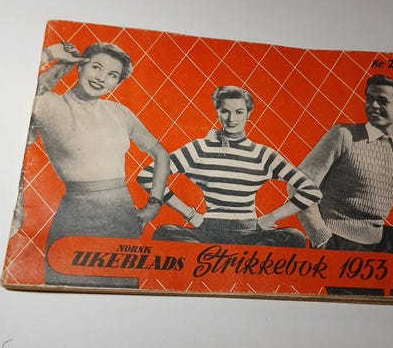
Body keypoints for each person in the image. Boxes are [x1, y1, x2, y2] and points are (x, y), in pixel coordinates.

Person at [294, 74, 393, 296]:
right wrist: (320, 236)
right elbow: (299, 184)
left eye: (382, 101)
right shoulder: (343, 136)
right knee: (369, 304)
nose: (373, 106)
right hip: (337, 241)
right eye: (369, 99)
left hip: (378, 241)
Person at [26, 42, 170, 288]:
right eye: (96, 67)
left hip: (121, 216)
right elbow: (18, 88)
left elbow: (161, 155)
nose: (101, 78)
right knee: (67, 288)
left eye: (112, 75)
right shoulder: (50, 106)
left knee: (121, 293)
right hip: (75, 216)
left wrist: (153, 205)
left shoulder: (120, 113)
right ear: (80, 67)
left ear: (117, 83)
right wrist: (53, 58)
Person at [137, 85, 322, 247]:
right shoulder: (200, 148)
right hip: (208, 231)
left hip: (251, 233)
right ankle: (231, 259)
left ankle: (227, 259)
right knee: (165, 233)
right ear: (217, 112)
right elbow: (147, 176)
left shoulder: (262, 154)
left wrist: (271, 217)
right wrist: (191, 214)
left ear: (249, 114)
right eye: (225, 111)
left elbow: (311, 191)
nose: (231, 118)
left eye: (239, 112)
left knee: (295, 237)